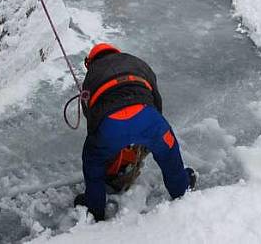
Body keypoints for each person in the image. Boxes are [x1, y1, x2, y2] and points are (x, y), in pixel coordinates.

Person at [73, 43, 196, 221]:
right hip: (147, 117)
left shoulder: (92, 75)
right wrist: (151, 128)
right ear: (116, 52)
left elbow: (91, 117)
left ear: (90, 62)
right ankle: (181, 188)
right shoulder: (135, 62)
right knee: (169, 152)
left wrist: (99, 140)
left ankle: (94, 207)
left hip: (110, 125)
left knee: (93, 161)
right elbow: (155, 97)